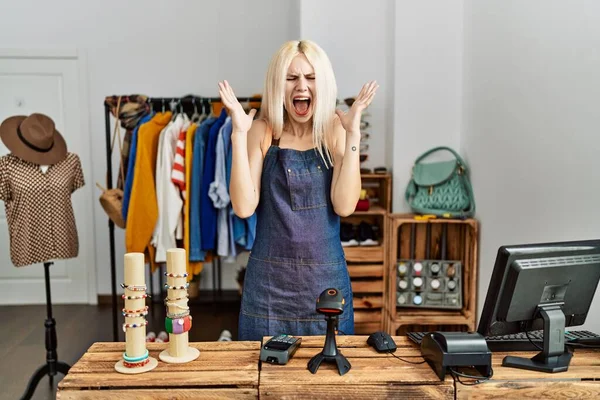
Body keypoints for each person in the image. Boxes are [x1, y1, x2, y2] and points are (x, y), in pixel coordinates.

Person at [218, 40, 378, 341]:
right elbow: (243, 207)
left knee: (326, 380)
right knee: (264, 378)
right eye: (291, 78)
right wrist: (239, 136)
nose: (301, 86)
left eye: (310, 77)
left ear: (323, 83)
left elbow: (344, 206)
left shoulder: (334, 129)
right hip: (268, 288)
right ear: (278, 85)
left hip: (325, 283)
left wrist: (353, 133)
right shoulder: (263, 131)